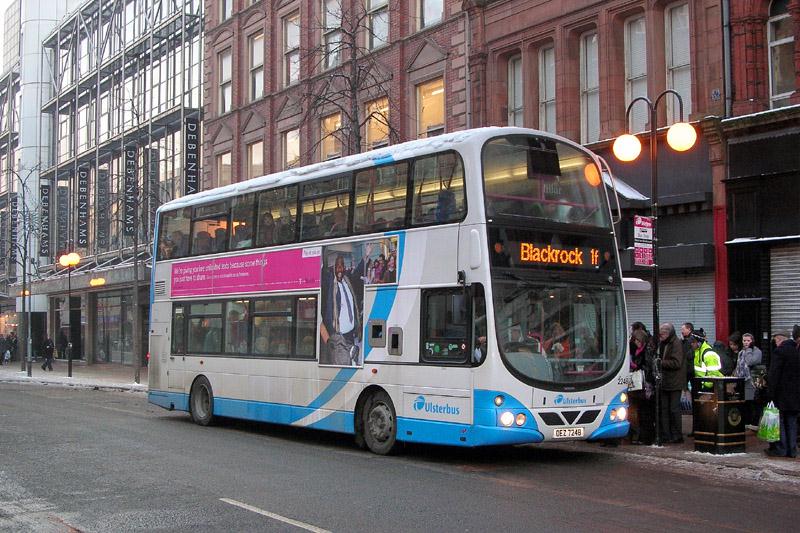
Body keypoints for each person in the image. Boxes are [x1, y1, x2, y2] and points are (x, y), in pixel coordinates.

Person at [320, 250, 366, 366]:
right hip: (339, 336)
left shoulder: (347, 280)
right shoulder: (331, 283)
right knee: (343, 366)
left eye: (342, 266)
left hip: (351, 333)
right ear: (334, 268)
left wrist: (365, 256)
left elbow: (357, 272)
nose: (340, 269)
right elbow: (323, 275)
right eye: (338, 266)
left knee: (349, 364)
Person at [765, 330, 799, 458]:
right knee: (792, 422)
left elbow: (774, 374)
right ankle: (792, 450)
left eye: (775, 340)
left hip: (782, 394)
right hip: (795, 395)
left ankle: (782, 449)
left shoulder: (779, 352)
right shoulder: (797, 351)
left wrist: (770, 393)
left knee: (780, 421)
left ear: (779, 339)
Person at [658, 323, 686, 444]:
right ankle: (666, 434)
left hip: (674, 381)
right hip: (665, 381)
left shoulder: (676, 344)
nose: (661, 336)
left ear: (669, 333)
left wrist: (661, 363)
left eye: (663, 334)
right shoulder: (663, 343)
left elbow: (677, 363)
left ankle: (676, 435)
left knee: (674, 409)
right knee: (664, 409)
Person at [629, 329, 655, 444]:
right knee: (640, 412)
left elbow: (648, 366)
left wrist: (636, 366)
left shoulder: (647, 350)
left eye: (637, 340)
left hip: (645, 384)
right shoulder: (639, 349)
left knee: (645, 413)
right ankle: (642, 436)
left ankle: (647, 438)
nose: (636, 342)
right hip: (640, 385)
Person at [734, 332, 762, 427]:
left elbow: (750, 362)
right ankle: (747, 421)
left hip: (752, 380)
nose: (746, 342)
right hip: (743, 380)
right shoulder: (741, 352)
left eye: (748, 341)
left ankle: (754, 423)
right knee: (745, 402)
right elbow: (739, 366)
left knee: (752, 402)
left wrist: (749, 350)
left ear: (752, 341)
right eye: (744, 340)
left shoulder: (756, 351)